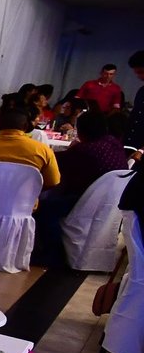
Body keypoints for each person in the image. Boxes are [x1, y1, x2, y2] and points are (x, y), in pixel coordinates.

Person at [33, 111, 131, 265]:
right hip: (110, 203)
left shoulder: (85, 150)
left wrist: (73, 148)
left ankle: (52, 254)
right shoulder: (114, 144)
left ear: (81, 131)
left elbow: (53, 163)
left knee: (44, 209)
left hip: (86, 202)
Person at [129, 50, 144, 150]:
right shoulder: (141, 91)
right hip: (134, 143)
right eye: (137, 73)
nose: (139, 76)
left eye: (141, 72)